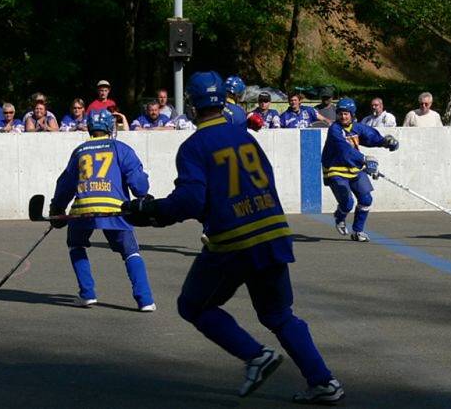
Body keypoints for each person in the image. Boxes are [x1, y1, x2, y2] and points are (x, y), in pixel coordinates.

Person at [122, 71, 344, 404]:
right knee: (279, 315)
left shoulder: (194, 146)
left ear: (194, 106)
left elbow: (192, 201)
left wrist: (149, 210)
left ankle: (256, 356)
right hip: (273, 233)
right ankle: (324, 381)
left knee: (193, 305)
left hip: (235, 241)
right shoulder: (245, 138)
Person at [50, 109, 156, 311]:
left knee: (75, 244)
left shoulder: (80, 151)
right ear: (110, 127)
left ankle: (87, 294)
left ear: (90, 127)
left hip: (83, 208)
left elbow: (66, 183)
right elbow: (138, 182)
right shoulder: (120, 148)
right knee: (130, 252)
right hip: (114, 208)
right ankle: (145, 300)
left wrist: (57, 207)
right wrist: (142, 196)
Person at [322, 97, 399, 242]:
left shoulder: (356, 127)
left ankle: (358, 231)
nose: (343, 116)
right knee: (347, 203)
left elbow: (369, 135)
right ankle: (339, 216)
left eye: (346, 113)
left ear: (352, 114)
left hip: (354, 167)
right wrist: (364, 159)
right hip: (335, 169)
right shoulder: (335, 130)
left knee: (366, 199)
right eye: (340, 113)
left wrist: (385, 142)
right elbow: (344, 149)